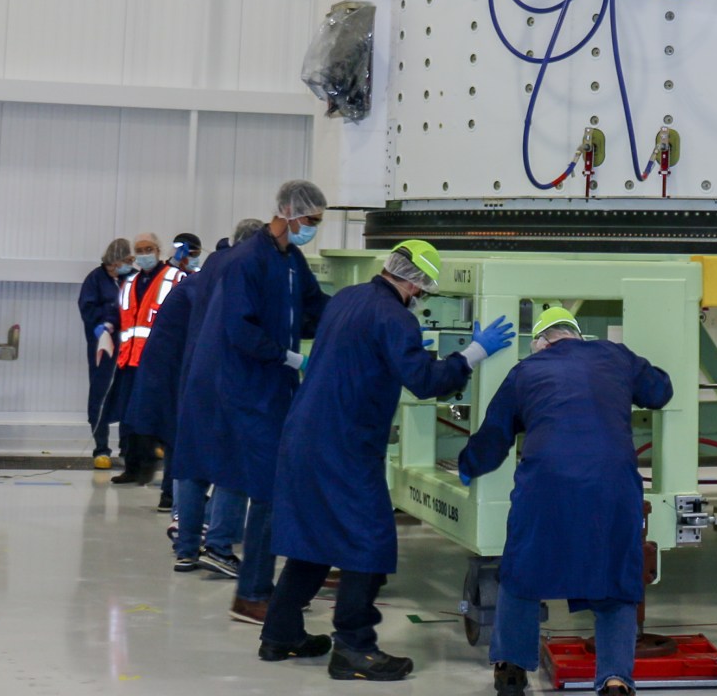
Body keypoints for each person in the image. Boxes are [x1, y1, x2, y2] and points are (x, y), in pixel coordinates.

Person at [261, 242, 515, 679]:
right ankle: (355, 650)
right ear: (416, 285)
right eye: (426, 291)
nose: (423, 299)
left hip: (304, 435)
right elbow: (424, 381)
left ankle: (280, 634)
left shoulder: (347, 299)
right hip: (344, 447)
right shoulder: (394, 318)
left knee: (315, 538)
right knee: (370, 542)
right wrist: (474, 352)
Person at [460, 305, 674, 696]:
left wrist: (467, 464)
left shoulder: (526, 371)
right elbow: (660, 391)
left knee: (522, 570)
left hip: (547, 485)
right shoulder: (616, 355)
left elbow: (495, 434)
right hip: (612, 485)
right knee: (615, 577)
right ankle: (613, 680)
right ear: (577, 336)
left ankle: (510, 670)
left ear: (540, 343)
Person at [177, 179, 331, 626]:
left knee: (270, 489)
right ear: (286, 210)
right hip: (247, 390)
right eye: (311, 220)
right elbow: (239, 329)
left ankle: (265, 588)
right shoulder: (247, 261)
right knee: (264, 490)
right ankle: (252, 595)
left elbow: (313, 306)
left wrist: (361, 312)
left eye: (318, 222)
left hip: (272, 388)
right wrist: (287, 356)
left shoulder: (291, 260)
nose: (313, 228)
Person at [157, 218, 266, 579]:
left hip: (194, 378)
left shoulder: (201, 276)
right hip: (231, 380)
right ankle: (220, 546)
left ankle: (186, 549)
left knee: (193, 465)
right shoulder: (248, 275)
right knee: (234, 464)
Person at [107, 233, 185, 486]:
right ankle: (133, 466)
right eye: (139, 250)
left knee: (154, 415)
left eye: (148, 249)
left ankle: (154, 463)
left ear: (158, 250)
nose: (144, 254)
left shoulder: (175, 278)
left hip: (160, 363)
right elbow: (123, 319)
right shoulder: (129, 283)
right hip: (130, 361)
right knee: (129, 417)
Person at [78, 238, 131, 468]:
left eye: (118, 265)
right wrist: (105, 322)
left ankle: (129, 450)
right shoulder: (95, 279)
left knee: (129, 397)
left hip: (130, 348)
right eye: (110, 266)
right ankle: (101, 448)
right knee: (100, 395)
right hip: (103, 347)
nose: (114, 270)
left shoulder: (134, 278)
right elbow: (87, 307)